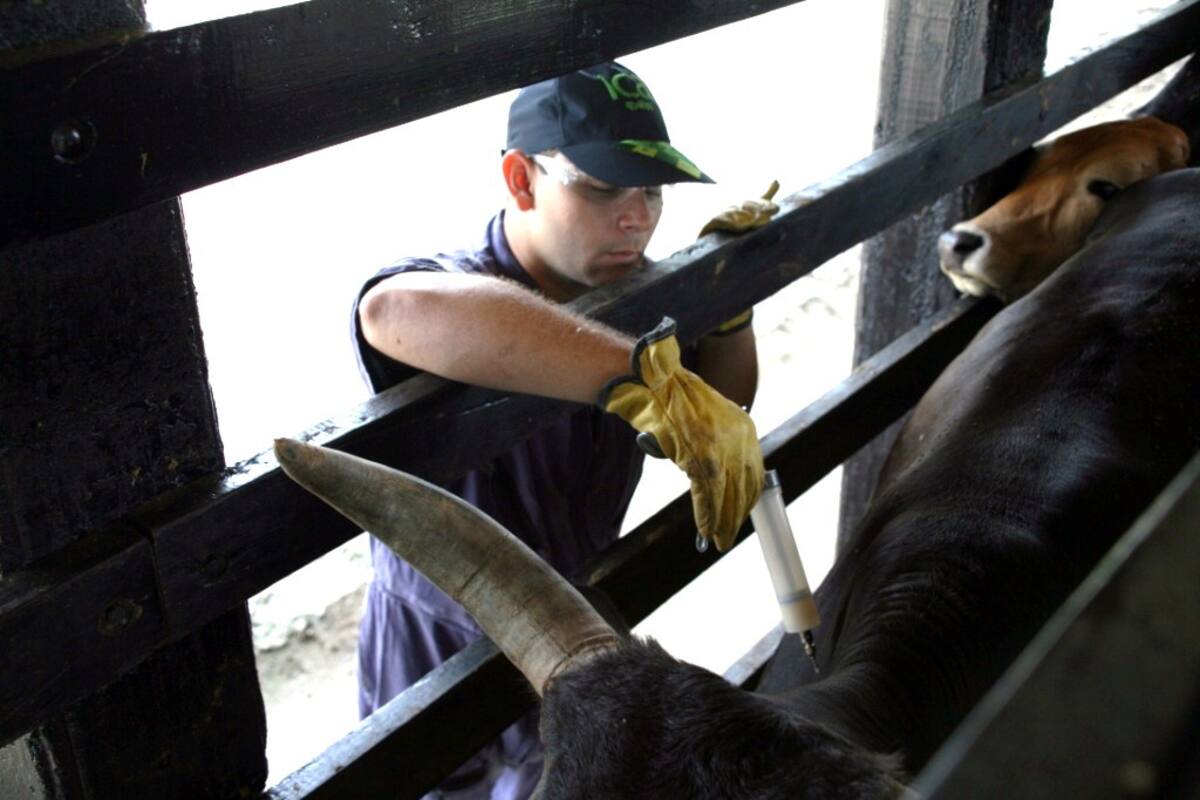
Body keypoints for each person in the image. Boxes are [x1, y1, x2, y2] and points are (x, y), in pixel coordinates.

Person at [351, 61, 770, 799]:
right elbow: (390, 310)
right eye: (603, 189)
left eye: (650, 191)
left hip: (578, 620)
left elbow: (723, 406)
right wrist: (635, 372)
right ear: (521, 180)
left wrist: (725, 304)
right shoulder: (458, 281)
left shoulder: (637, 285)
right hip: (441, 639)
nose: (635, 217)